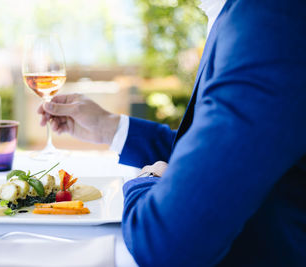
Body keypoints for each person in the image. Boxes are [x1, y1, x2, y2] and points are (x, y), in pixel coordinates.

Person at [38, 0, 306, 265]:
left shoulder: (268, 17)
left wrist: (148, 177)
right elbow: (225, 151)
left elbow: (164, 242)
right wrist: (111, 127)